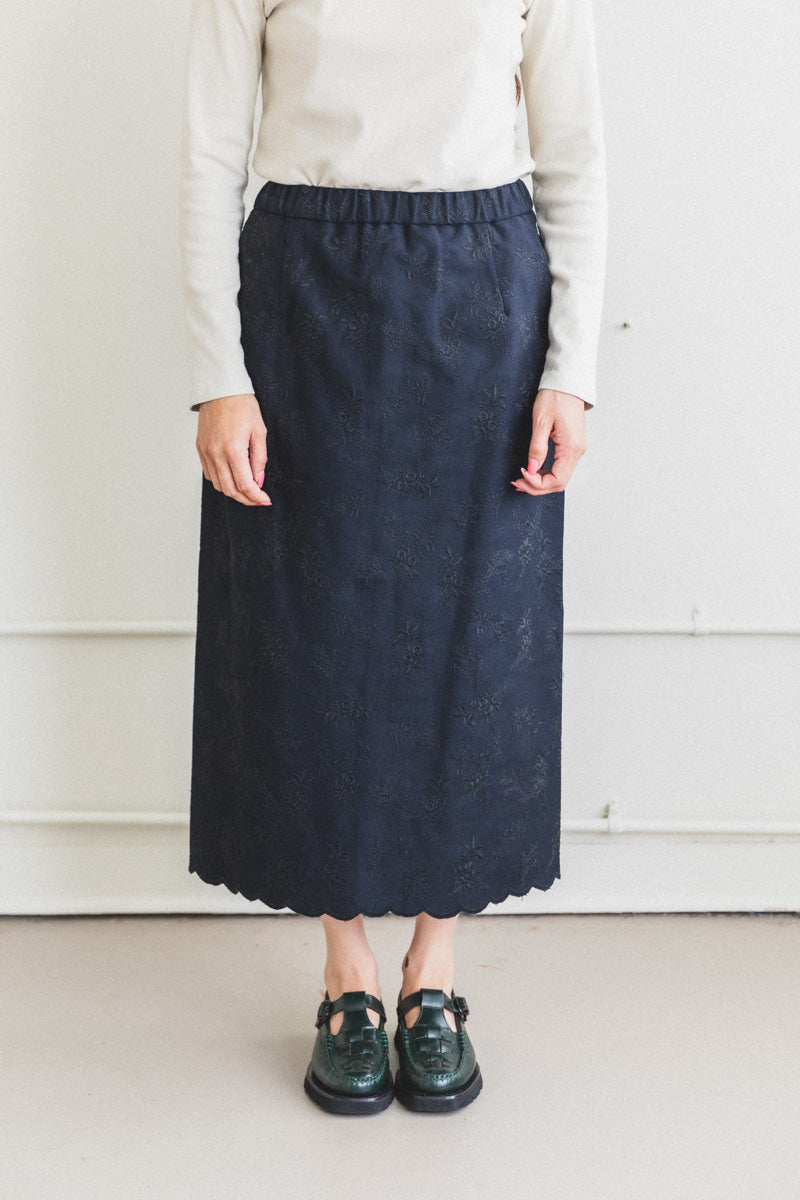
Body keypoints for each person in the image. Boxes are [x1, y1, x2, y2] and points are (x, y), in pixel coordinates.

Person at [179, 0, 606, 1115]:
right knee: (306, 633)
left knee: (476, 638)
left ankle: (432, 971)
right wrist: (217, 375)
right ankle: (347, 974)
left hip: (484, 299)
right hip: (303, 295)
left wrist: (570, 373)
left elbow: (572, 161)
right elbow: (209, 156)